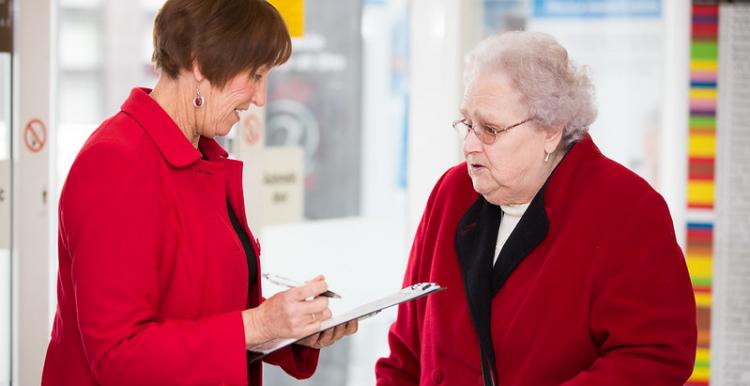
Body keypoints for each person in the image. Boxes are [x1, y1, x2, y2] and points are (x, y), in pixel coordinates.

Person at [42, 1, 356, 385]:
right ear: (201, 64)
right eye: (255, 75)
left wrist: (288, 327)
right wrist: (256, 324)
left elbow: (207, 314)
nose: (260, 98)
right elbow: (117, 355)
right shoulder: (115, 163)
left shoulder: (198, 157)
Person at [375, 31, 696, 386]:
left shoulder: (627, 208)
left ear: (550, 131)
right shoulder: (451, 192)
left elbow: (655, 356)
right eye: (468, 124)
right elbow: (405, 354)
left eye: (490, 129)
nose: (469, 145)